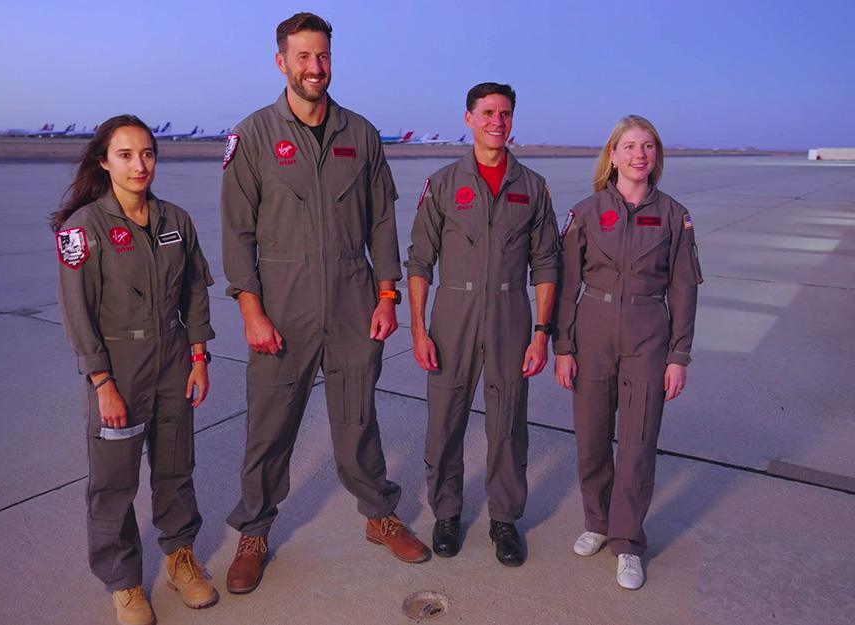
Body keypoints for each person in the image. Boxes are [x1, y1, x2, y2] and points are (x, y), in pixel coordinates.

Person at [220, 11, 431, 595]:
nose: (316, 68)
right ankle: (255, 532)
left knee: (358, 417)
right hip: (281, 304)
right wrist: (250, 308)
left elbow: (382, 221)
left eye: (324, 56)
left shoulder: (359, 134)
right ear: (281, 60)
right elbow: (237, 233)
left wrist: (387, 293)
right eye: (304, 56)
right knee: (269, 425)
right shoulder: (255, 134)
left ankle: (379, 515)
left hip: (351, 298)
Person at [52, 114, 218, 625]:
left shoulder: (176, 220)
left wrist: (198, 357)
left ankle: (180, 559)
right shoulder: (83, 228)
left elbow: (194, 294)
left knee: (175, 468)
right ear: (104, 162)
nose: (139, 164)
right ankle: (123, 581)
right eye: (125, 155)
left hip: (173, 361)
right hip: (119, 368)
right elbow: (77, 314)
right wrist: (102, 382)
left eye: (146, 153)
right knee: (114, 481)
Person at [405, 83, 560, 567]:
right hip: (453, 318)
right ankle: (447, 514)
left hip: (511, 319)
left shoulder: (532, 187)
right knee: (445, 424)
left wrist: (541, 333)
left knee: (508, 424)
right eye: (488, 112)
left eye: (506, 113)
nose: (498, 121)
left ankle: (505, 520)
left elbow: (547, 266)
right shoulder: (445, 183)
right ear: (468, 118)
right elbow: (419, 262)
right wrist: (417, 329)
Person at [553, 115, 703, 590]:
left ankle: (628, 542)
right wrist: (563, 346)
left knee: (637, 443)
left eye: (648, 147)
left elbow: (683, 289)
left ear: (656, 157)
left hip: (647, 336)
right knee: (592, 439)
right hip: (593, 333)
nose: (640, 155)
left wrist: (679, 355)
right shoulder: (585, 213)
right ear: (612, 155)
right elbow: (566, 286)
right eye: (630, 146)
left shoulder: (675, 216)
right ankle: (598, 523)